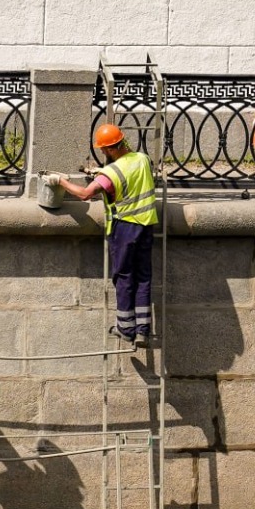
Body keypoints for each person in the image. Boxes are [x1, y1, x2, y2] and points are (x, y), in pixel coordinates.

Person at [54, 123, 158, 348]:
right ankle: (143, 331)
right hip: (147, 225)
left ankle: (126, 328)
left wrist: (60, 181)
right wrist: (98, 172)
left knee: (124, 277)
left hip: (125, 229)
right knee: (143, 277)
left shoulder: (111, 173)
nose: (102, 153)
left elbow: (84, 194)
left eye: (103, 150)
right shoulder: (143, 159)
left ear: (110, 149)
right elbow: (130, 175)